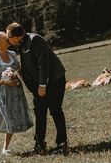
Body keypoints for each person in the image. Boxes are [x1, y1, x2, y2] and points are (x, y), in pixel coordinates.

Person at [6, 22, 68, 155]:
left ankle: (62, 144)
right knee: (39, 113)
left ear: (16, 36)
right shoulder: (21, 44)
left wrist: (42, 85)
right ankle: (40, 145)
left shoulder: (35, 40)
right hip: (38, 86)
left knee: (55, 110)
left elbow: (43, 63)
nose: (7, 40)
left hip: (54, 81)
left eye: (8, 37)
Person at [0, 31, 33, 159]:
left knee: (11, 117)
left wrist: (26, 83)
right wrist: (4, 81)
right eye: (4, 38)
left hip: (14, 92)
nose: (7, 39)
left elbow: (19, 70)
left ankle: (5, 148)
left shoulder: (12, 54)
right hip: (0, 93)